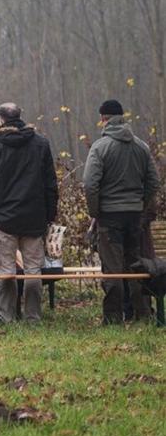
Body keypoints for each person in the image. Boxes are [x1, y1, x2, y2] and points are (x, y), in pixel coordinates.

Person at [0, 102, 59, 324]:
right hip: (34, 218)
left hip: (2, 220)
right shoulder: (40, 144)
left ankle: (7, 318)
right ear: (20, 117)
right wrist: (50, 215)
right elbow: (51, 183)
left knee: (4, 272)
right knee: (34, 271)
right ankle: (33, 318)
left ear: (0, 119)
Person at [83, 99, 161, 324]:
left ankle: (113, 318)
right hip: (134, 216)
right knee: (136, 265)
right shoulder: (141, 146)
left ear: (103, 119)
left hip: (109, 217)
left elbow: (90, 184)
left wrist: (95, 211)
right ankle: (143, 314)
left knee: (113, 270)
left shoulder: (100, 147)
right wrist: (140, 203)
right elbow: (153, 182)